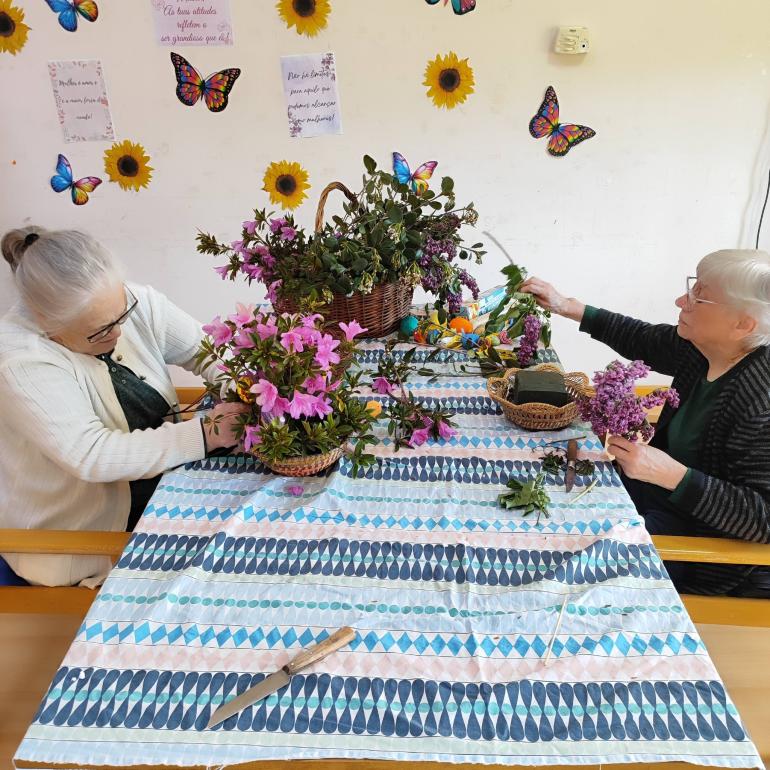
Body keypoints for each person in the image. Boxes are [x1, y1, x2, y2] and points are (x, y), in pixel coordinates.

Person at [0, 227, 246, 587]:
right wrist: (206, 433)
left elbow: (206, 351)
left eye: (122, 314)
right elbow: (92, 454)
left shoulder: (125, 302)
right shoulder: (19, 361)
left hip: (163, 491)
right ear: (48, 326)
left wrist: (241, 387)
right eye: (100, 332)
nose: (118, 333)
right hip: (80, 539)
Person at [521, 249, 770, 597]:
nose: (681, 300)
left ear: (743, 324)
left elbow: (763, 518)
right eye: (691, 288)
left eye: (700, 297)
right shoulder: (704, 349)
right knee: (552, 504)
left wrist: (673, 476)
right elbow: (642, 337)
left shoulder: (761, 399)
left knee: (567, 568)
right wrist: (567, 306)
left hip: (707, 547)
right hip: (658, 498)